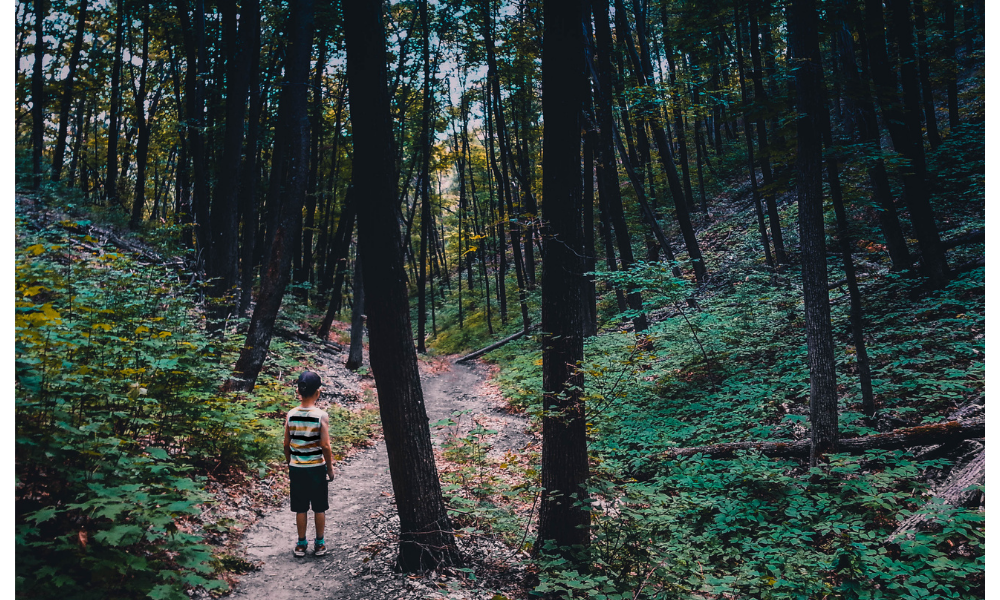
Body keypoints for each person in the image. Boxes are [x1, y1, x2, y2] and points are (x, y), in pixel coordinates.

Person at [283, 370, 334, 557]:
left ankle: (301, 543)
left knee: (300, 507)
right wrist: (329, 469)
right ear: (318, 392)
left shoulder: (291, 414)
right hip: (316, 468)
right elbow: (325, 445)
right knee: (319, 507)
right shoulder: (321, 416)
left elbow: (286, 443)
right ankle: (319, 543)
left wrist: (290, 461)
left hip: (297, 469)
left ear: (299, 391)